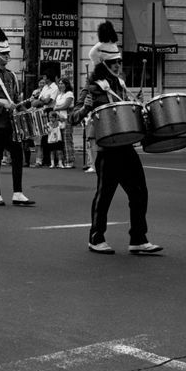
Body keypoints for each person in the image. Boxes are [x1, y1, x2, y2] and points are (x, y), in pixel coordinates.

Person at [74, 22, 161, 255]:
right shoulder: (92, 87)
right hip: (106, 149)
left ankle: (138, 239)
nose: (119, 65)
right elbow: (73, 116)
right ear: (104, 64)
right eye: (115, 63)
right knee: (105, 195)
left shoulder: (121, 85)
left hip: (125, 145)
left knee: (139, 192)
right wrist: (85, 109)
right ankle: (96, 237)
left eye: (120, 62)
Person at [0, 26, 35, 207]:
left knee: (18, 156)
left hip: (12, 123)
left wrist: (27, 104)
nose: (7, 56)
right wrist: (2, 107)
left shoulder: (12, 75)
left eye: (8, 53)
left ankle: (18, 192)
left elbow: (17, 99)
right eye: (4, 54)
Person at [54, 77, 76, 168]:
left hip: (67, 119)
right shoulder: (59, 95)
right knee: (60, 140)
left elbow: (66, 105)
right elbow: (55, 106)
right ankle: (62, 161)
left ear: (66, 85)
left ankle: (69, 160)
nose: (60, 85)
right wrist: (57, 111)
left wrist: (57, 108)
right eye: (59, 83)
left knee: (67, 140)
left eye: (62, 83)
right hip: (59, 119)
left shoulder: (69, 94)